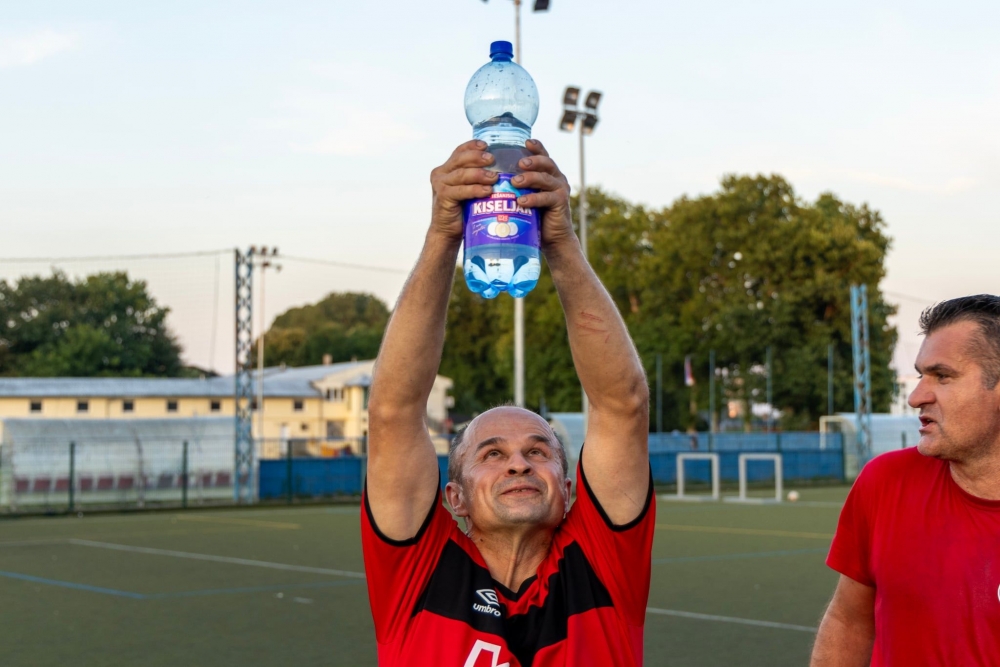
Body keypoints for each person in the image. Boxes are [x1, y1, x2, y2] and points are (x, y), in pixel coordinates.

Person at [361, 139, 653, 667]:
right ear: (454, 499)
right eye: (491, 454)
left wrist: (560, 241)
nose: (519, 461)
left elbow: (622, 404)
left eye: (539, 451)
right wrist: (444, 236)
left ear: (568, 490)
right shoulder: (419, 573)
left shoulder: (600, 560)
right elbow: (393, 411)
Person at [810, 295, 1000, 666]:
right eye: (920, 375)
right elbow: (849, 621)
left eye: (942, 376)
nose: (915, 397)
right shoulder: (884, 481)